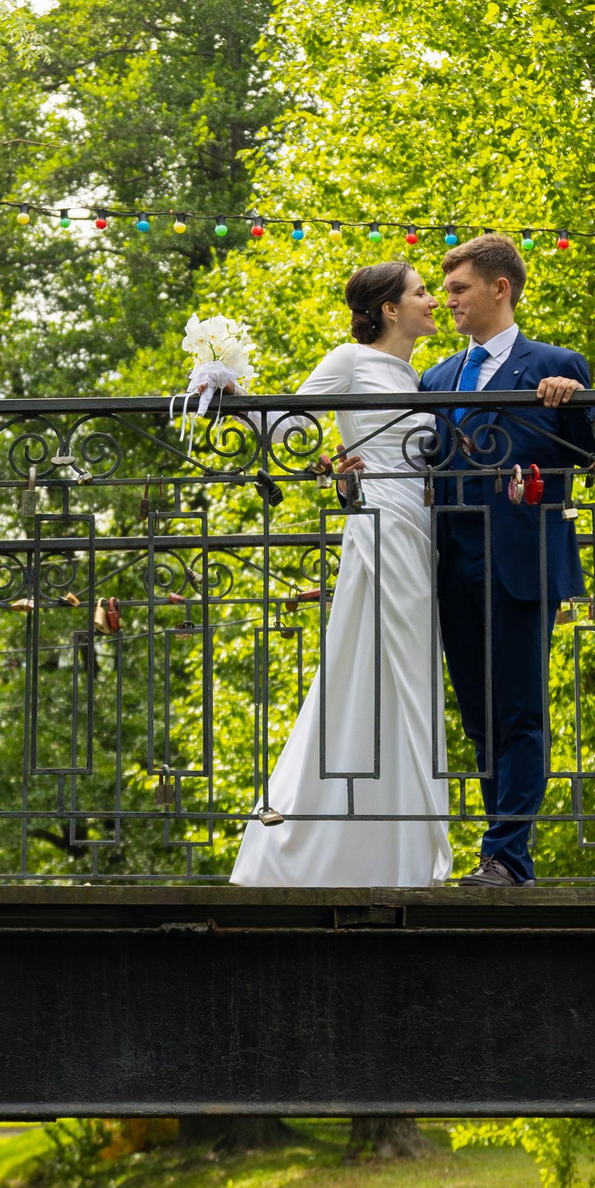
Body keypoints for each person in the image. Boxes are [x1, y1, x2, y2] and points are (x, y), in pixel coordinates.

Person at [230, 262, 453, 888]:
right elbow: (291, 423)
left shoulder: (419, 375)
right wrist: (232, 391)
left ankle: (392, 845)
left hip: (423, 534)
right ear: (387, 309)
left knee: (405, 678)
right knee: (387, 677)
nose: (433, 301)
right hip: (382, 528)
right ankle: (327, 846)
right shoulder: (349, 360)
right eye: (421, 292)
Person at [419, 234, 595, 886]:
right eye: (445, 291)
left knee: (520, 710)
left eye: (458, 289)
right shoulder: (438, 377)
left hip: (522, 562)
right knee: (477, 712)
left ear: (500, 288)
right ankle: (499, 849)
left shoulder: (556, 365)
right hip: (450, 565)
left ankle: (506, 854)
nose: (448, 303)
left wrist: (575, 403)